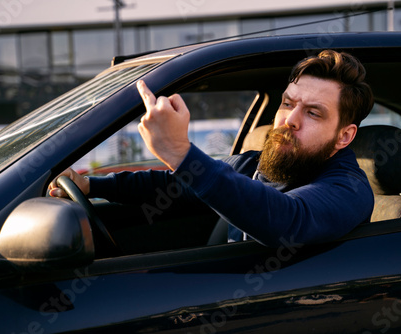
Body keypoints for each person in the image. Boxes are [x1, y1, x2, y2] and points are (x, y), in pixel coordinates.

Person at [49, 50, 375, 248]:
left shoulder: (348, 187)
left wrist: (181, 151)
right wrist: (91, 186)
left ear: (343, 137)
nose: (289, 119)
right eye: (287, 104)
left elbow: (289, 221)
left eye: (313, 112)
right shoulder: (255, 165)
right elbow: (176, 185)